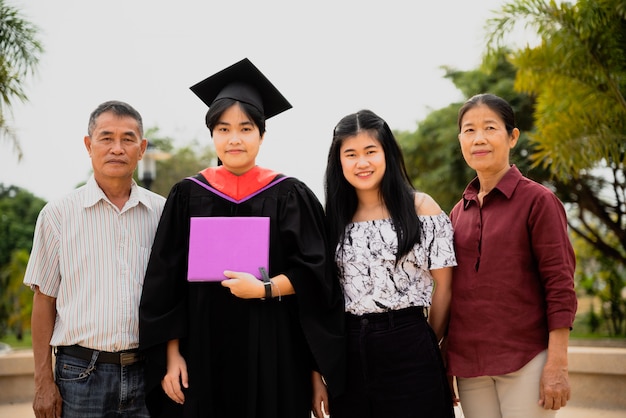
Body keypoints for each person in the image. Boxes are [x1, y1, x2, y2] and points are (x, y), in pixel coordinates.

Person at [138, 58, 346, 418]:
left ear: (262, 135)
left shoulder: (289, 194)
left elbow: (317, 277)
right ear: (212, 135)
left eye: (246, 128)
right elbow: (165, 283)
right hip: (201, 354)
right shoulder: (187, 195)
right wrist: (171, 356)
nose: (234, 139)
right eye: (223, 129)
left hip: (277, 353)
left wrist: (264, 289)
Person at [23, 100, 166, 418]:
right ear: (89, 145)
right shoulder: (58, 215)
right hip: (79, 376)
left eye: (128, 139)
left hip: (147, 373)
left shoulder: (162, 213)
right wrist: (43, 382)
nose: (117, 148)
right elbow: (43, 301)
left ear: (141, 149)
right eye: (106, 137)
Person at [446, 93, 578, 418]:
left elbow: (560, 286)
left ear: (512, 136)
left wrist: (557, 365)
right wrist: (447, 359)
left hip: (526, 360)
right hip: (470, 368)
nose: (479, 139)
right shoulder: (456, 213)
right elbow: (451, 294)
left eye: (490, 128)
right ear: (461, 139)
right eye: (469, 130)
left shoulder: (538, 201)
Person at [323, 109, 457, 417]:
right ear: (338, 160)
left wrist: (426, 341)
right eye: (351, 154)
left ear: (387, 153)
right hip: (349, 351)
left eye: (371, 151)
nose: (362, 162)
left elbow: (446, 287)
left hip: (409, 345)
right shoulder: (331, 220)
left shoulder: (421, 208)